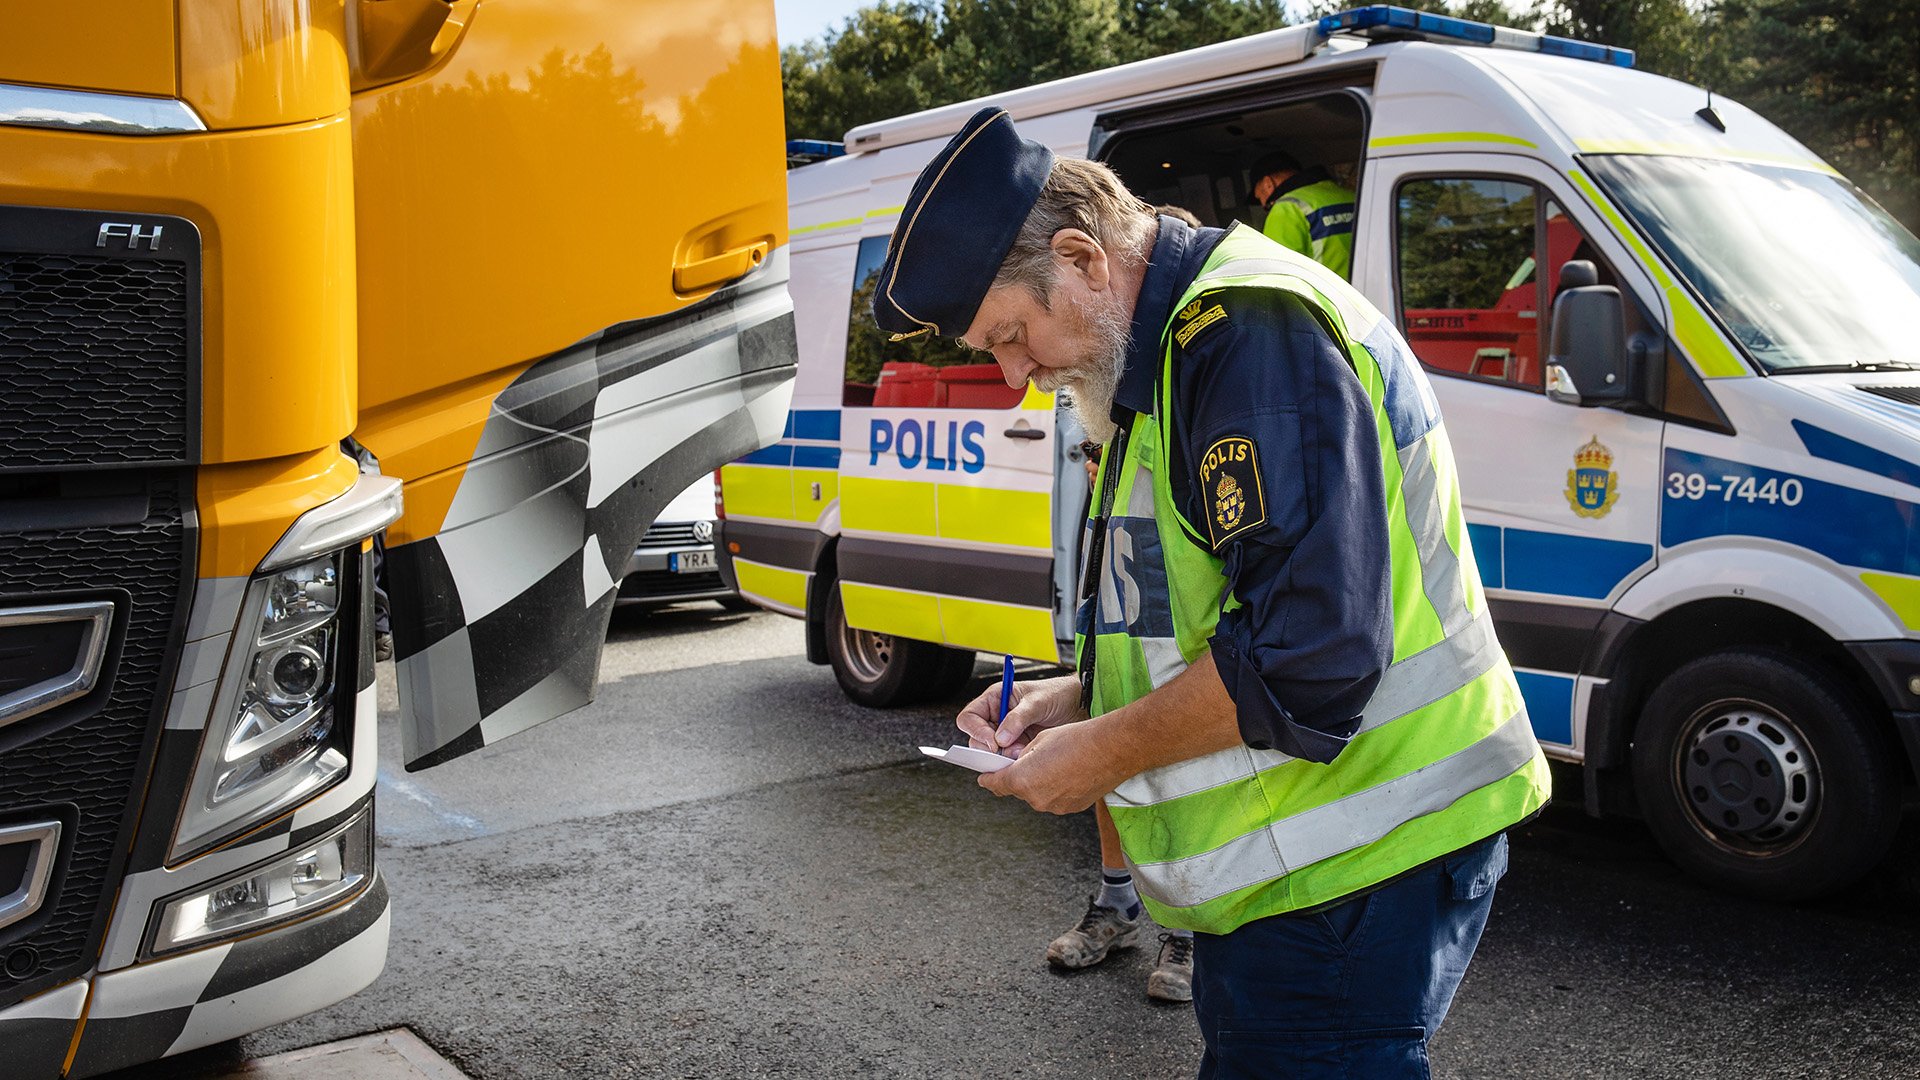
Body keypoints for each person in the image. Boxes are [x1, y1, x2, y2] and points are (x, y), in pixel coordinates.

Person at [871, 107, 1549, 1078]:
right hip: (1303, 877)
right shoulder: (1160, 359)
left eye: (1013, 335)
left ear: (1084, 258)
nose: (1016, 377)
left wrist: (1096, 753)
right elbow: (1200, 605)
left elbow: (1310, 653)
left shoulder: (1244, 339)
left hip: (1352, 874)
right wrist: (1077, 693)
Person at [1248, 150, 1355, 279]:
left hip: (1326, 298)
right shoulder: (1353, 197)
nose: (1264, 205)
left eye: (1260, 198)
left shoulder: (1286, 208)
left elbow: (1278, 275)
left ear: (1268, 183)